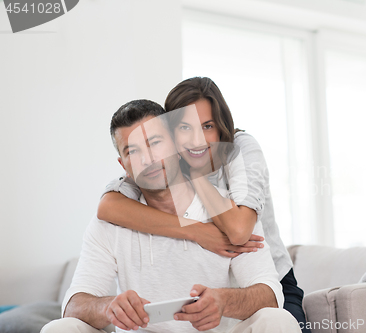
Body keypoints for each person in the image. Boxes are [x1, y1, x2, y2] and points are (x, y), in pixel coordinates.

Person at [41, 100, 300, 333]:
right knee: (59, 328)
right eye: (132, 151)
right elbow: (73, 304)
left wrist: (223, 301)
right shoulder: (110, 222)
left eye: (155, 143)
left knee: (278, 321)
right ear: (123, 166)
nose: (148, 159)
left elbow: (270, 295)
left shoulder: (228, 213)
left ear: (176, 146)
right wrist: (108, 307)